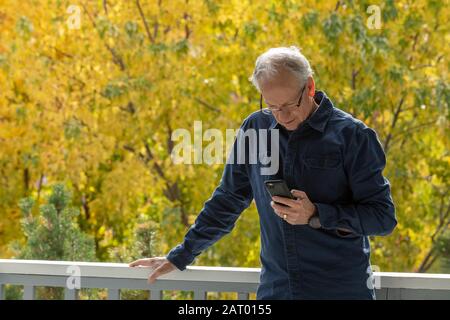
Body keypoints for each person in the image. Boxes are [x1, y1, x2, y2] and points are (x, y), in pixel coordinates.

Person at [130, 46, 397, 300]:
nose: (283, 116)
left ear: (311, 87)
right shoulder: (255, 130)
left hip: (340, 292)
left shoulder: (354, 136)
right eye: (272, 106)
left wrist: (316, 214)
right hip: (276, 291)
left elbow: (382, 218)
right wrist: (181, 255)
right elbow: (227, 200)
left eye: (291, 105)